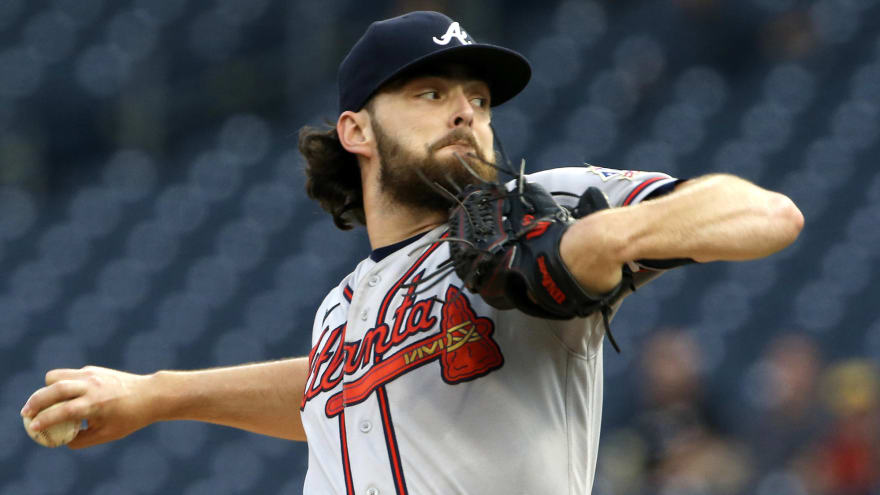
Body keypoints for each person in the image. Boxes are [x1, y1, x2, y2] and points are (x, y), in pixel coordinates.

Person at [20, 11, 803, 495]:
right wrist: (158, 394)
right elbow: (332, 391)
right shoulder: (342, 307)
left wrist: (603, 240)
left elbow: (769, 213)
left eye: (480, 100)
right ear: (356, 129)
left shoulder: (548, 206)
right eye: (431, 93)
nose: (466, 112)